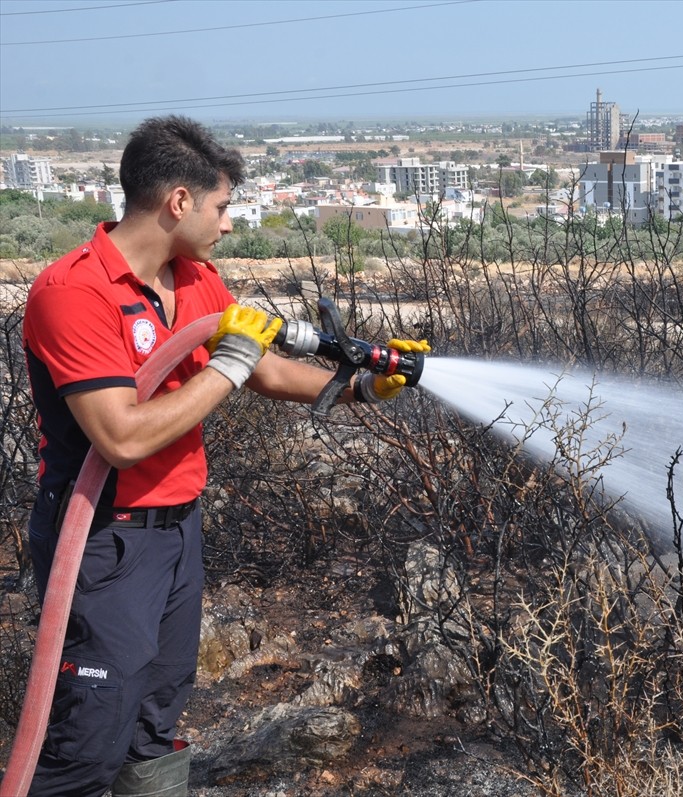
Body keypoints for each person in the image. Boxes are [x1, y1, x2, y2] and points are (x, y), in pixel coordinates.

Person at [20, 115, 428, 796]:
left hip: (177, 530)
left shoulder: (196, 279)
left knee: (156, 721)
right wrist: (230, 362)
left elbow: (263, 369)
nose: (230, 224)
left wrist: (360, 388)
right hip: (102, 539)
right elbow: (121, 438)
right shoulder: (74, 293)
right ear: (178, 200)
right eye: (222, 206)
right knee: (90, 737)